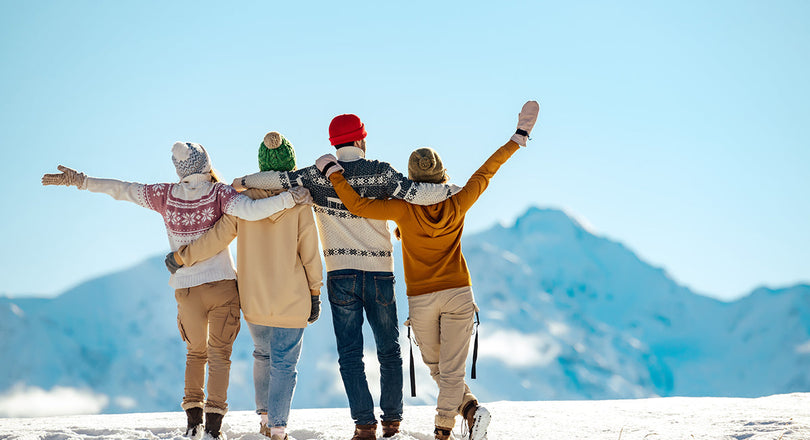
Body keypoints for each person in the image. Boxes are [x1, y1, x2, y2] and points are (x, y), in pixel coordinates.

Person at [41, 141, 313, 440]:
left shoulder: (164, 195)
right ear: (205, 163)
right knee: (220, 356)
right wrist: (290, 200)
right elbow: (253, 210)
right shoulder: (221, 193)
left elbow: (123, 189)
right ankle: (214, 428)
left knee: (195, 354)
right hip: (222, 285)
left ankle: (193, 423)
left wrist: (81, 181)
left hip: (186, 289)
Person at [315, 101, 540, 440]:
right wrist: (518, 137)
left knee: (441, 370)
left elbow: (358, 205)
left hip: (421, 300)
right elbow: (487, 171)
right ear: (442, 175)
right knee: (445, 371)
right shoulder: (459, 201)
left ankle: (443, 431)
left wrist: (334, 174)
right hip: (459, 294)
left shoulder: (403, 210)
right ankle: (471, 411)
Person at [231, 115, 461, 440]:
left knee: (350, 354)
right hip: (380, 273)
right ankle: (392, 422)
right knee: (389, 350)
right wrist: (454, 190)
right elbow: (417, 193)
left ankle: (364, 425)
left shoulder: (314, 176)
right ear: (362, 141)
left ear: (334, 145)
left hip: (341, 276)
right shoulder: (380, 172)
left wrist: (242, 181)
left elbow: (276, 179)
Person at [165, 132, 323, 440]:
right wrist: (315, 292)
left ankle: (265, 419)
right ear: (289, 165)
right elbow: (311, 256)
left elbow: (216, 238)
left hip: (253, 299)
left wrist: (182, 257)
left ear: (261, 165)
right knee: (284, 363)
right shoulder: (300, 203)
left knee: (262, 355)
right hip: (292, 298)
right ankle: (278, 427)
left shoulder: (243, 201)